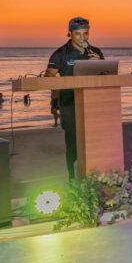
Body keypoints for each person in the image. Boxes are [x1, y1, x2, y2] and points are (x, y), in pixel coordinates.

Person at [45, 17, 104, 180]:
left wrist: (99, 65)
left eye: (86, 34)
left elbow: (106, 77)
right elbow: (48, 77)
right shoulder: (60, 54)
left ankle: (94, 176)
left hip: (92, 104)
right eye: (78, 34)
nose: (83, 38)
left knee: (94, 143)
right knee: (73, 143)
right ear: (69, 34)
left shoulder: (96, 52)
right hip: (69, 104)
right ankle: (72, 178)